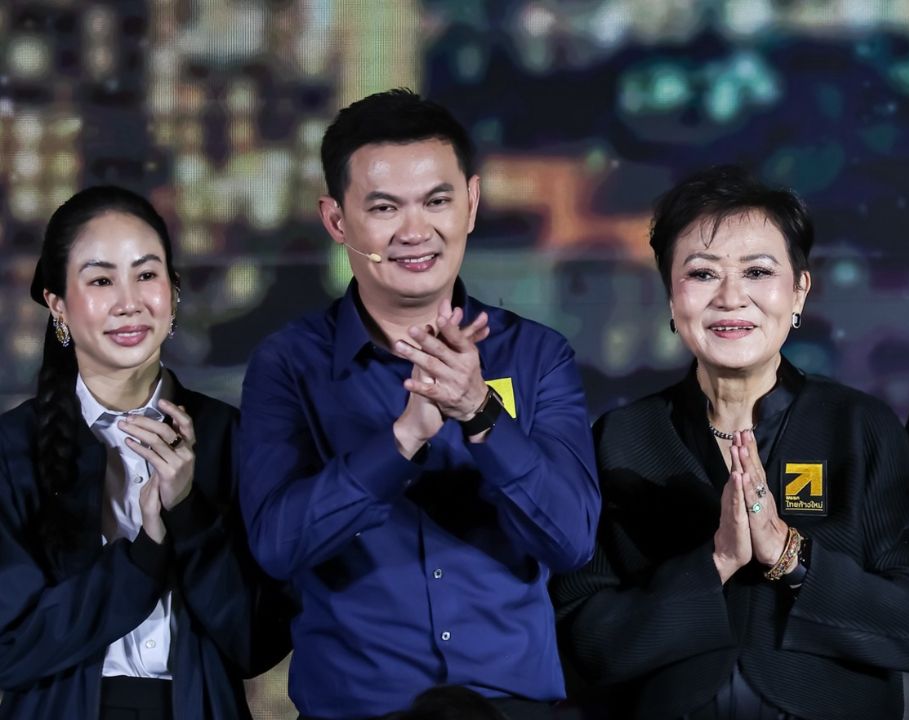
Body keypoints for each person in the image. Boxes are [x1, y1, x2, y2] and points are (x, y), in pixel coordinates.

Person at [236, 89, 600, 720]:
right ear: (337, 221)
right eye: (384, 207)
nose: (414, 232)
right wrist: (401, 440)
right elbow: (276, 546)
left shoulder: (537, 356)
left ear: (472, 204)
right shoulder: (289, 364)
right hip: (359, 710)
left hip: (511, 709)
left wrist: (481, 414)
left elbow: (571, 541)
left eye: (437, 201)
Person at [552, 165, 909, 720]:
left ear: (799, 291)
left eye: (757, 271)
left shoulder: (859, 427)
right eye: (702, 274)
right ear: (670, 296)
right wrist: (715, 561)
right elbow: (587, 642)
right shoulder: (624, 439)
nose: (730, 298)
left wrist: (790, 555)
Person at [0, 186, 291, 719]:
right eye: (101, 280)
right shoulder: (10, 449)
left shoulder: (230, 436)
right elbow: (11, 647)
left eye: (147, 274)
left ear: (174, 292)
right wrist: (146, 551)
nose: (129, 301)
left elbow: (258, 643)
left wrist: (189, 514)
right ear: (57, 304)